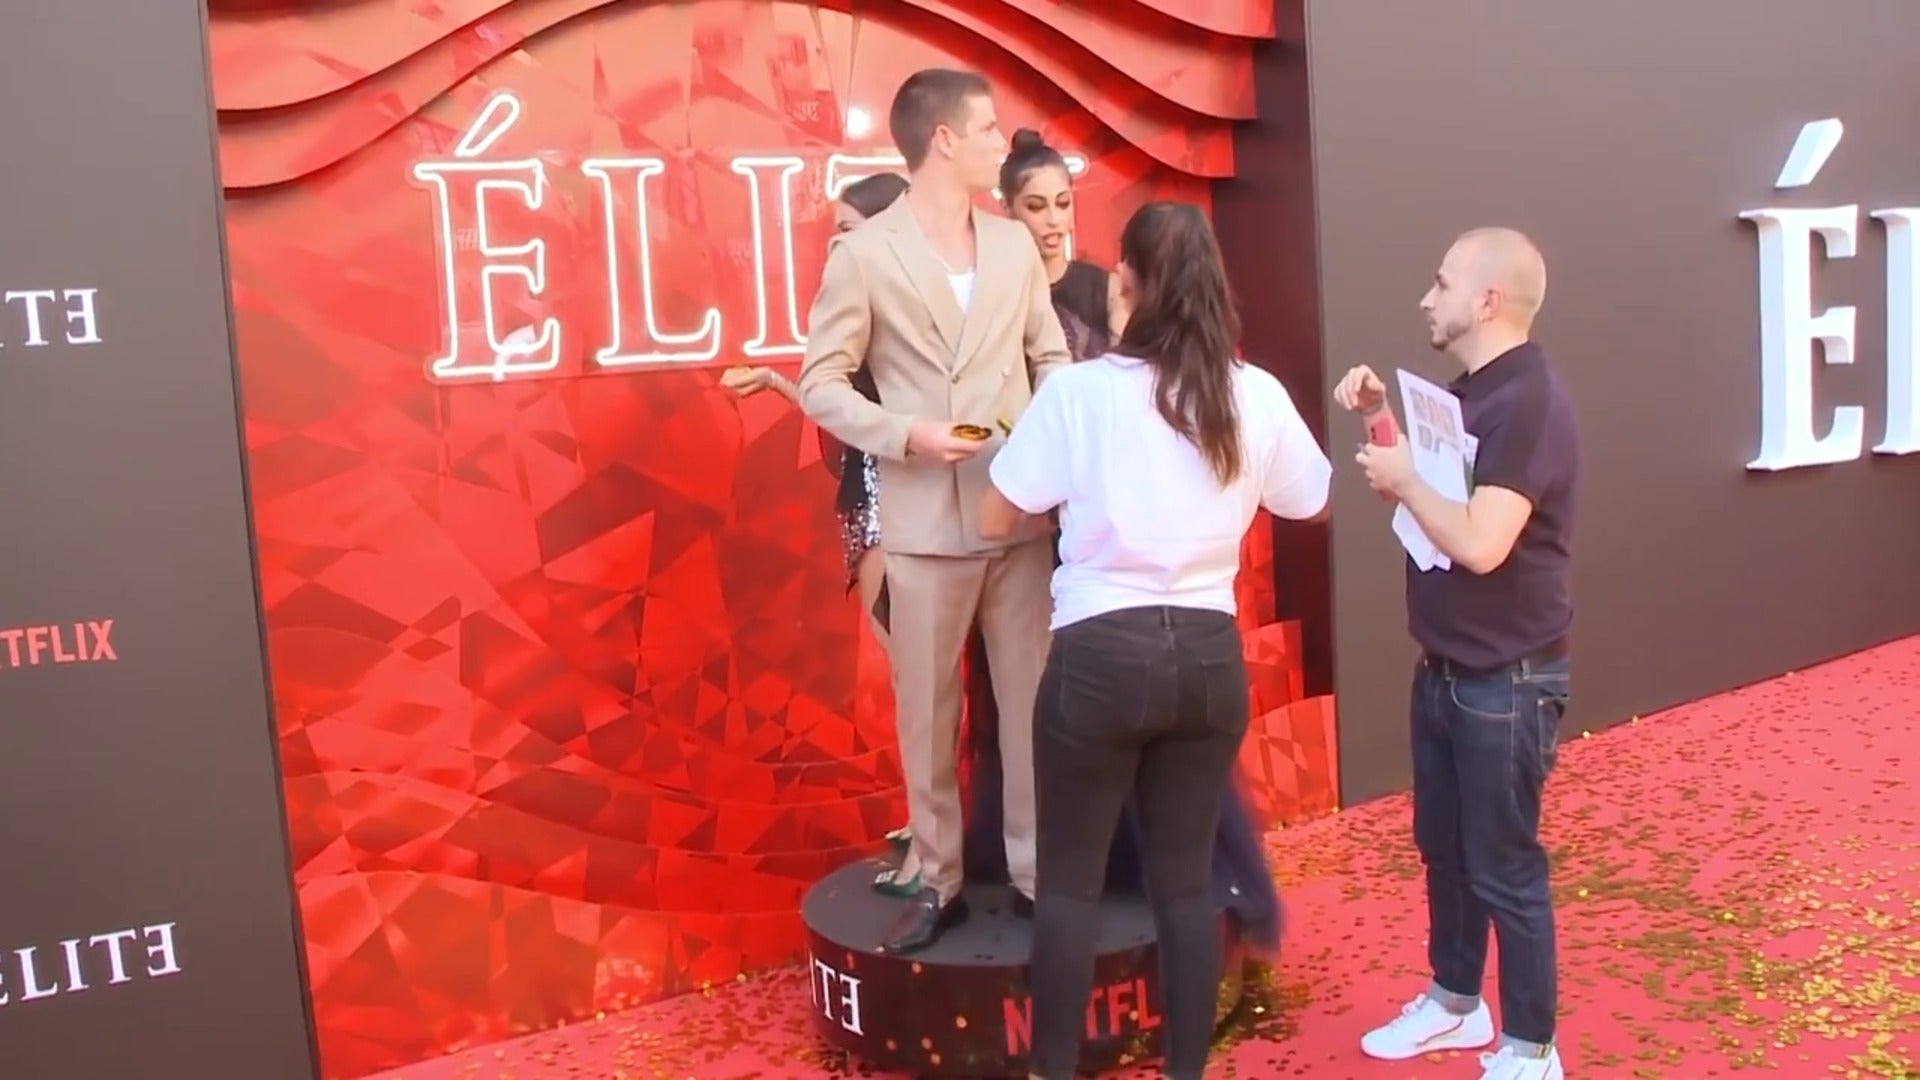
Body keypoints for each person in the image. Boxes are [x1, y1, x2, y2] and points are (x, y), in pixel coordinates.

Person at [980, 201, 1332, 1080]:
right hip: (1207, 659)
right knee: (1186, 887)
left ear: (1126, 284)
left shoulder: (1079, 392)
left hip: (1099, 657)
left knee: (1069, 889)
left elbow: (996, 515)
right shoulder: (1251, 392)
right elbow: (1311, 497)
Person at [978, 129, 1287, 955]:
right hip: (1027, 546)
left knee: (1156, 749)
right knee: (1034, 727)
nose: (1053, 221)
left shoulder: (1097, 295)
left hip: (1105, 555)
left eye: (1062, 204)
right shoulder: (986, 301)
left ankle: (1210, 898)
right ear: (1003, 213)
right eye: (1034, 206)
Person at [798, 68, 1071, 956]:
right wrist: (907, 434)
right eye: (988, 129)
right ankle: (938, 880)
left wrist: (1044, 440)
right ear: (944, 140)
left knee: (1031, 710)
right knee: (926, 716)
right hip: (921, 525)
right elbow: (820, 384)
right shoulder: (865, 254)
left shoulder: (1013, 246)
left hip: (1016, 516)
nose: (1001, 142)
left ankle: (1039, 878)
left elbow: (1050, 356)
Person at [1335, 227, 1577, 1080]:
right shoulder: (1473, 392)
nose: (1425, 300)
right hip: (1446, 669)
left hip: (1506, 680)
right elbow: (1436, 502)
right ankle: (1455, 1002)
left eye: (1441, 284)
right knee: (1445, 850)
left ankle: (1531, 1049)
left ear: (1487, 301)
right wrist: (1378, 420)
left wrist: (1403, 480)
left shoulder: (1529, 403)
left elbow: (1479, 543)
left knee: (1504, 865)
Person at [719, 173, 952, 898]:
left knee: (920, 688)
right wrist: (779, 384)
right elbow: (848, 418)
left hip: (894, 518)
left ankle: (933, 848)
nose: (835, 247)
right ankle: (929, 832)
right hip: (870, 514)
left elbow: (894, 427)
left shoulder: (906, 323)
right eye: (834, 235)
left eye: (848, 231)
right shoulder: (868, 317)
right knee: (913, 684)